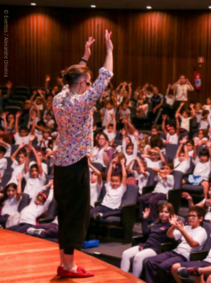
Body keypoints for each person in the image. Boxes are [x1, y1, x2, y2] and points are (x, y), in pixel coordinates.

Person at [52, 31, 113, 278]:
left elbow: (73, 80)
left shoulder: (59, 97)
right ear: (81, 84)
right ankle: (68, 267)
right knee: (77, 216)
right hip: (76, 166)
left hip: (61, 165)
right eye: (86, 82)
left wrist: (84, 59)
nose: (89, 85)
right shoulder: (81, 103)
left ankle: (65, 264)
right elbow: (105, 77)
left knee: (65, 214)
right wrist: (109, 51)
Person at [120, 203, 175, 277]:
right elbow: (146, 233)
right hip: (146, 245)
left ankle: (134, 279)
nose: (163, 214)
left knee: (138, 256)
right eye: (161, 212)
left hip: (156, 248)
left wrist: (173, 226)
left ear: (171, 213)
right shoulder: (156, 223)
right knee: (125, 254)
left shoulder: (171, 225)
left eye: (166, 212)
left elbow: (172, 240)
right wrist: (145, 219)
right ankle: (122, 277)